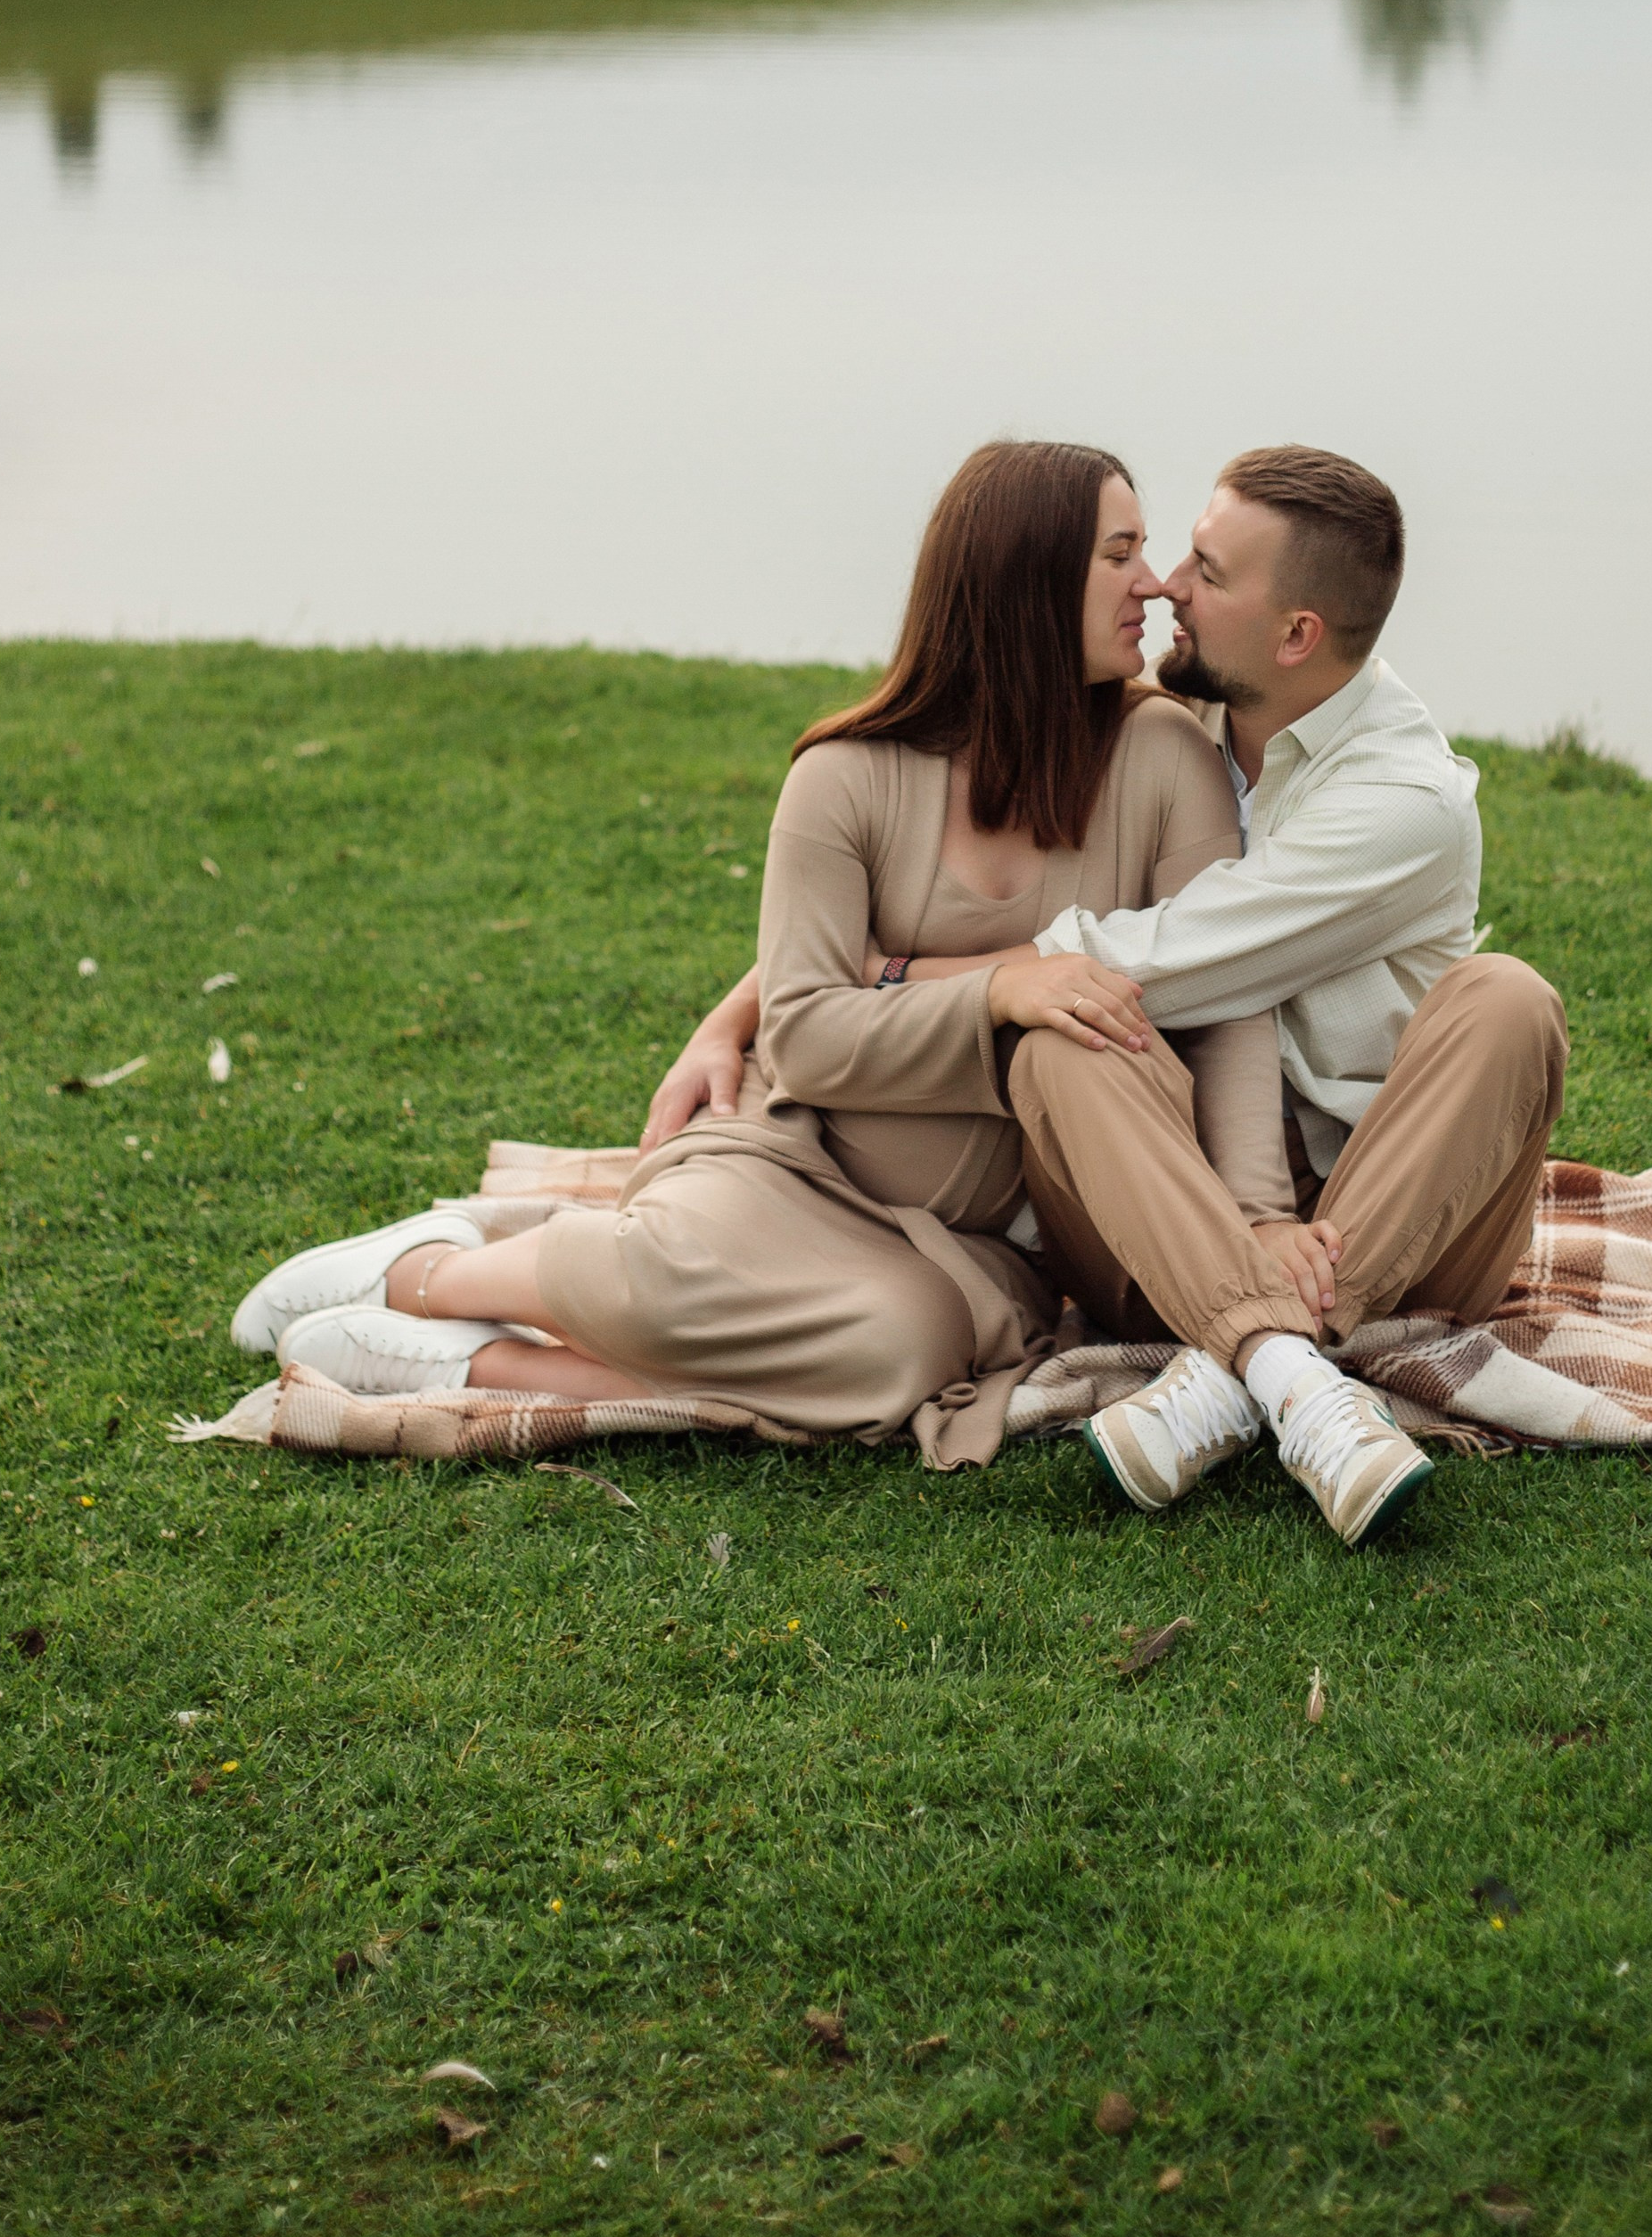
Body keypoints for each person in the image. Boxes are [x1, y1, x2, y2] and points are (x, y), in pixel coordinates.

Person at [226, 440, 1442, 1542]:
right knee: (667, 1273)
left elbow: (1227, 1001)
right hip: (801, 1168)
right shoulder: (845, 781)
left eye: (1156, 555)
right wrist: (993, 993)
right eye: (1121, 555)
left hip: (985, 1231)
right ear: (1026, 583)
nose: (1155, 585)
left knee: (899, 1357)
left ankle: (473, 1368)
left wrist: (1246, 1214)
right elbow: (805, 1039)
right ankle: (429, 1276)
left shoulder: (1165, 756)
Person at [647, 443, 1569, 1517]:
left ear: (1297, 634)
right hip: (1166, 1213)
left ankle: (1240, 1365)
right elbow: (1065, 976)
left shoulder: (1402, 802)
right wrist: (746, 1004)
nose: (1169, 583)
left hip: (1399, 1216)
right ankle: (1284, 1372)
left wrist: (894, 971)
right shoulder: (1199, 715)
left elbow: (1161, 962)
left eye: (1208, 574)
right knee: (1063, 1038)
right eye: (1168, 552)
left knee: (1508, 996)